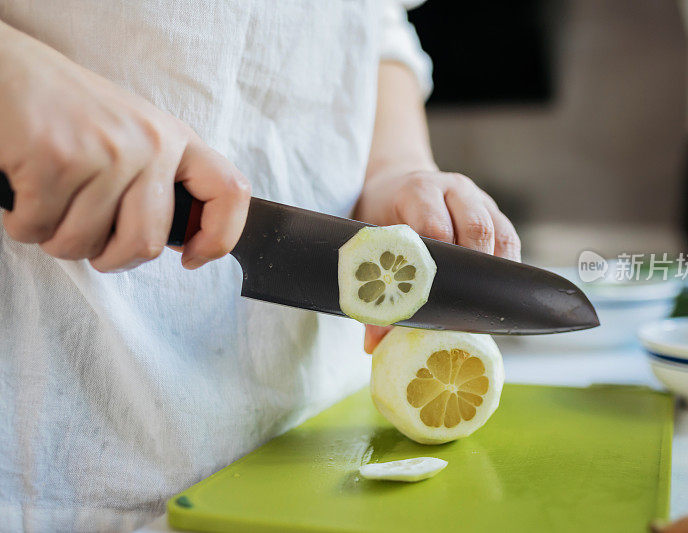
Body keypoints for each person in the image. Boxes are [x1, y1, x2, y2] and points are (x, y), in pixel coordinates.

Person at [0, 1, 521, 530]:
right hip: (61, 459)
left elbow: (374, 22)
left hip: (319, 453)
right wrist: (17, 76)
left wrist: (393, 168)